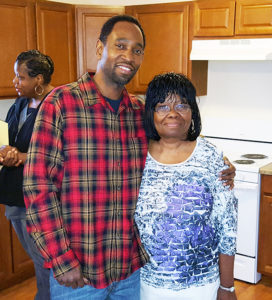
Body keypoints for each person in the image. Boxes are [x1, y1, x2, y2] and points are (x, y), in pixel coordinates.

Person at [23, 15, 235, 300]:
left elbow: (174, 141)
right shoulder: (61, 104)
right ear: (100, 48)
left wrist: (217, 162)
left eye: (137, 50)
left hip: (129, 271)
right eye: (120, 45)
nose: (129, 56)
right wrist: (60, 258)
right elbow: (38, 187)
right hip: (79, 273)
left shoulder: (139, 112)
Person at [134, 72, 237, 300]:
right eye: (162, 106)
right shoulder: (135, 155)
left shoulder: (211, 158)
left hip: (201, 287)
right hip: (142, 285)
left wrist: (227, 287)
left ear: (193, 112)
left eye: (182, 104)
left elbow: (227, 228)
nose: (173, 113)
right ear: (151, 112)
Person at [0, 50, 55, 300]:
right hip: (14, 194)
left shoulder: (56, 106)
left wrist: (20, 157)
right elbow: (7, 137)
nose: (15, 82)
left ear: (39, 80)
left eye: (20, 77)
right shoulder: (20, 102)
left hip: (39, 199)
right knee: (37, 259)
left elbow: (60, 155)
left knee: (46, 261)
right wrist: (5, 149)